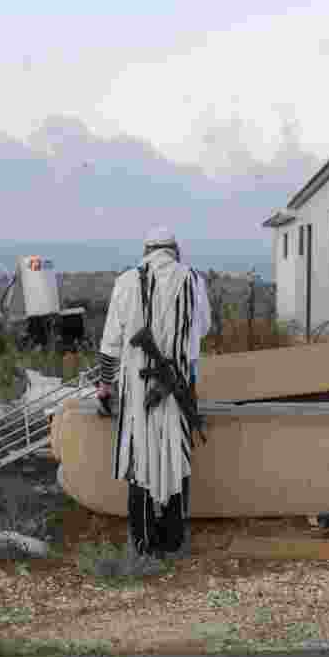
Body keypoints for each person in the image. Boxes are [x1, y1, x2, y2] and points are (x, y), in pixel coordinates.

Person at [97, 227, 211, 560]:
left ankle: (144, 543)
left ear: (146, 250)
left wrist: (105, 386)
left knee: (140, 457)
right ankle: (173, 540)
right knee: (176, 456)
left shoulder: (126, 281)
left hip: (136, 385)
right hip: (179, 382)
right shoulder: (193, 281)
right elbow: (201, 329)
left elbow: (110, 344)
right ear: (175, 250)